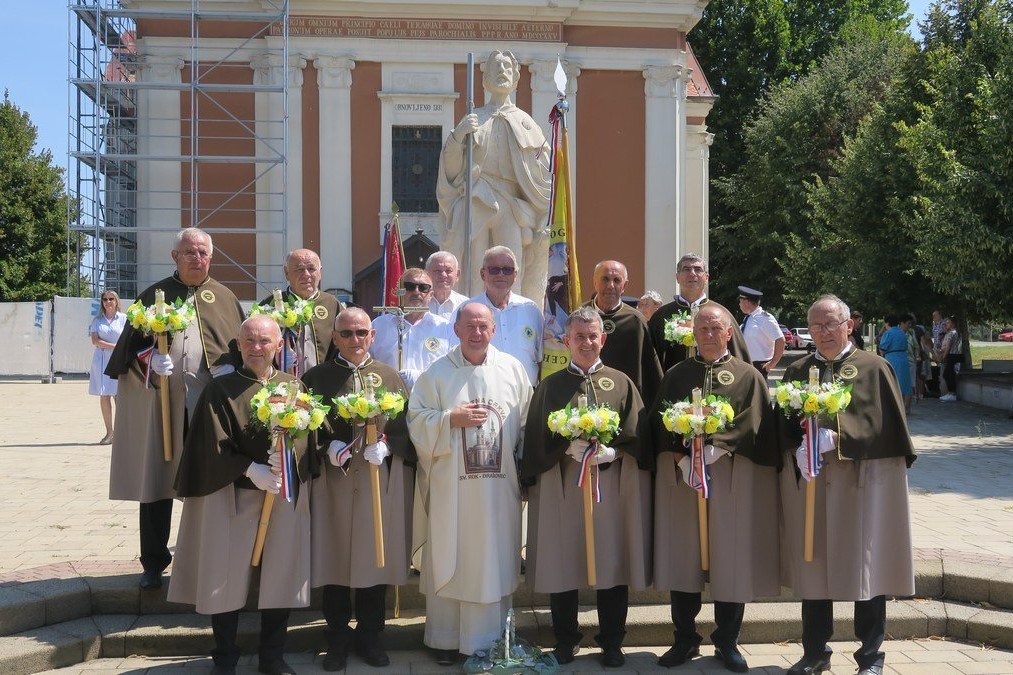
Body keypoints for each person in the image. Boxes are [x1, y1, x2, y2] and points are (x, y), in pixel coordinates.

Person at [167, 315, 310, 675]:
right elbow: (207, 441)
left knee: (280, 576)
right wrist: (249, 469)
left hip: (280, 493)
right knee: (225, 576)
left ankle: (272, 657)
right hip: (231, 494)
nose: (257, 348)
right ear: (239, 345)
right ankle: (225, 657)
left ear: (280, 345)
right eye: (250, 341)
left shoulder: (294, 386)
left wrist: (288, 459)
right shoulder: (221, 389)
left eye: (265, 341)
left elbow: (309, 436)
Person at [780, 294, 916, 675]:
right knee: (813, 567)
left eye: (830, 324)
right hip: (812, 483)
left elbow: (888, 426)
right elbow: (782, 426)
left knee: (864, 568)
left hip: (861, 483)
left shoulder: (874, 368)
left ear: (848, 326)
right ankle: (814, 652)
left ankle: (870, 657)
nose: (822, 333)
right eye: (816, 326)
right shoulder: (798, 370)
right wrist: (798, 446)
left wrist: (838, 437)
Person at [105, 227, 244, 590]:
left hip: (208, 406)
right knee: (158, 482)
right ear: (175, 256)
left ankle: (208, 557)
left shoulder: (226, 297)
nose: (197, 258)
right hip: (163, 403)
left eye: (203, 253)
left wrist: (231, 365)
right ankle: (153, 561)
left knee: (211, 481)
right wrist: (151, 358)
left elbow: (242, 347)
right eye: (189, 252)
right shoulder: (154, 295)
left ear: (211, 258)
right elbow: (128, 349)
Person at [648, 304, 779, 672]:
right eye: (701, 328)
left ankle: (727, 641)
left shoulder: (747, 376)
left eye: (714, 328)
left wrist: (718, 447)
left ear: (728, 333)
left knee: (730, 558)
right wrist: (683, 457)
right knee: (685, 557)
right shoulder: (676, 374)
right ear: (693, 333)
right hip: (685, 476)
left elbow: (755, 423)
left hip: (730, 477)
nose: (707, 334)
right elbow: (659, 422)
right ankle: (685, 639)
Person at [520, 307, 651, 669]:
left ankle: (612, 642)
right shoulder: (550, 385)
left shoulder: (621, 382)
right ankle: (565, 641)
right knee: (565, 563)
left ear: (603, 338)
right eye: (579, 336)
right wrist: (564, 447)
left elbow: (639, 434)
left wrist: (615, 449)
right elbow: (535, 438)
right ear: (566, 341)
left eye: (593, 336)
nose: (587, 342)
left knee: (611, 562)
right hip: (563, 487)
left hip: (610, 488)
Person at [407, 302, 532, 664]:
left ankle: (493, 640)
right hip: (453, 491)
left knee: (492, 559)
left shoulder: (513, 369)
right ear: (456, 330)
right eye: (470, 326)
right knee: (453, 555)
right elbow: (416, 421)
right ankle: (446, 640)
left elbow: (525, 426)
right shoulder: (437, 374)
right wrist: (450, 419)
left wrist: (526, 471)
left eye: (484, 326)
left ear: (493, 329)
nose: (477, 333)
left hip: (499, 489)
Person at [302, 307, 415, 671]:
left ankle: (370, 636)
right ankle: (336, 639)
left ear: (373, 336)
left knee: (373, 558)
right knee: (335, 558)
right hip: (333, 480)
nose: (354, 340)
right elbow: (303, 427)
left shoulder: (389, 377)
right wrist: (326, 446)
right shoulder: (315, 377)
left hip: (376, 480)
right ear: (334, 337)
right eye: (346, 333)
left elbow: (405, 427)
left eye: (361, 332)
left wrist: (389, 445)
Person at [437, 50, 551, 301]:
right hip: (477, 199)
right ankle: (473, 319)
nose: (502, 72)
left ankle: (512, 319)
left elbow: (542, 174)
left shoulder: (526, 123)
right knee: (474, 272)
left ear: (515, 78)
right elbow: (451, 169)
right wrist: (458, 136)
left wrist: (545, 212)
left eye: (507, 68)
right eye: (496, 68)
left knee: (511, 269)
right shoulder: (474, 119)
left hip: (510, 204)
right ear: (485, 78)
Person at [647, 254, 748, 372]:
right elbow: (650, 361)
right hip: (673, 385)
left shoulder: (721, 314)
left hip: (713, 384)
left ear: (706, 277)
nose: (692, 273)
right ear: (677, 277)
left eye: (698, 269)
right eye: (686, 269)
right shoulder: (662, 316)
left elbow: (739, 359)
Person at [583, 260, 663, 403]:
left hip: (624, 400)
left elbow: (650, 369)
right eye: (605, 279)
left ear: (624, 285)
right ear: (595, 282)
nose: (610, 286)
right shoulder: (579, 317)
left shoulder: (636, 321)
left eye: (617, 280)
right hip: (586, 397)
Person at [259, 248, 344, 374]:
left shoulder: (332, 304)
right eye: (299, 269)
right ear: (286, 273)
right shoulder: (270, 304)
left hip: (323, 382)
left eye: (311, 269)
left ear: (320, 272)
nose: (306, 274)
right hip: (280, 383)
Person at [469, 246, 543, 385]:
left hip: (527, 397)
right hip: (483, 396)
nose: (501, 274)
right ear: (483, 274)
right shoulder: (467, 310)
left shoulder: (531, 310)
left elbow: (541, 359)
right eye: (494, 269)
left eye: (507, 270)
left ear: (515, 275)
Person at [371, 268, 455, 391]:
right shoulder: (379, 325)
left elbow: (452, 368)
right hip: (386, 399)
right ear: (399, 292)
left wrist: (418, 377)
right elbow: (367, 363)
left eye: (423, 288)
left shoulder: (444, 328)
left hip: (430, 399)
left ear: (431, 295)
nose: (416, 292)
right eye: (409, 286)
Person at [89, 290, 126, 444]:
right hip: (102, 360)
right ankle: (109, 432)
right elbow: (95, 341)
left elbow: (128, 339)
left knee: (119, 396)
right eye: (105, 299)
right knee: (105, 395)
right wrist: (116, 346)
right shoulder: (97, 320)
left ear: (116, 301)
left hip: (119, 359)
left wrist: (117, 349)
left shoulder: (124, 319)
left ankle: (122, 432)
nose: (108, 301)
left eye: (111, 298)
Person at [736, 285, 785, 377]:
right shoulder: (749, 318)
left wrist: (773, 363)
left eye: (740, 301)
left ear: (746, 302)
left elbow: (780, 340)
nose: (739, 304)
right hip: (745, 364)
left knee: (759, 391)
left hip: (759, 366)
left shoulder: (765, 318)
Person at [878, 315, 913, 413]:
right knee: (905, 383)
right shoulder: (902, 332)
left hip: (892, 357)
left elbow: (883, 348)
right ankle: (907, 408)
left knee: (893, 381)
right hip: (903, 357)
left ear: (887, 323)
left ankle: (894, 408)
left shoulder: (888, 333)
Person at [425, 251, 468, 320]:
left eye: (448, 270)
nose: (443, 275)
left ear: (457, 274)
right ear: (426, 274)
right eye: (437, 271)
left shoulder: (466, 305)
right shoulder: (418, 304)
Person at [935, 317, 962, 402]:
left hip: (952, 356)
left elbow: (948, 346)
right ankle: (950, 393)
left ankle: (952, 394)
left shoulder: (952, 333)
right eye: (946, 323)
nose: (946, 324)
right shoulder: (954, 333)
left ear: (953, 324)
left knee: (950, 375)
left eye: (948, 323)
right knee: (947, 375)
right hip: (954, 356)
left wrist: (944, 357)